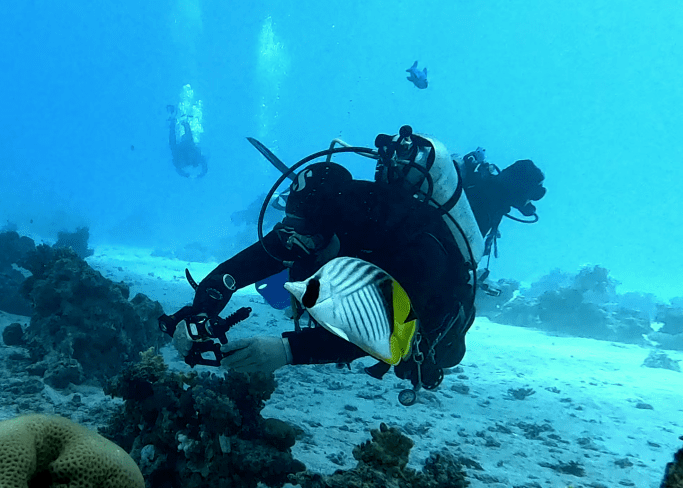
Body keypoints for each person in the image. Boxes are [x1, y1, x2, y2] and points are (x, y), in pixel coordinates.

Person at [159, 126, 538, 402]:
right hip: (366, 268)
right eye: (292, 233)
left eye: (306, 239)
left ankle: (501, 191)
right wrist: (198, 314)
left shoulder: (418, 251)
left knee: (427, 358)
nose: (294, 246)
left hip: (426, 316)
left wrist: (285, 350)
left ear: (334, 229)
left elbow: (382, 338)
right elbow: (237, 270)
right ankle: (499, 188)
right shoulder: (315, 224)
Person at [458, 147, 546, 269]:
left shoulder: (488, 190)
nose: (530, 201)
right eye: (532, 195)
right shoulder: (492, 201)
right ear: (521, 190)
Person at [167, 98, 207, 178]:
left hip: (183, 150)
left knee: (178, 141)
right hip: (186, 148)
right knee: (187, 139)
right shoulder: (193, 155)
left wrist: (186, 175)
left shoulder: (180, 158)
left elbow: (172, 139)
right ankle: (182, 121)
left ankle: (179, 121)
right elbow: (204, 164)